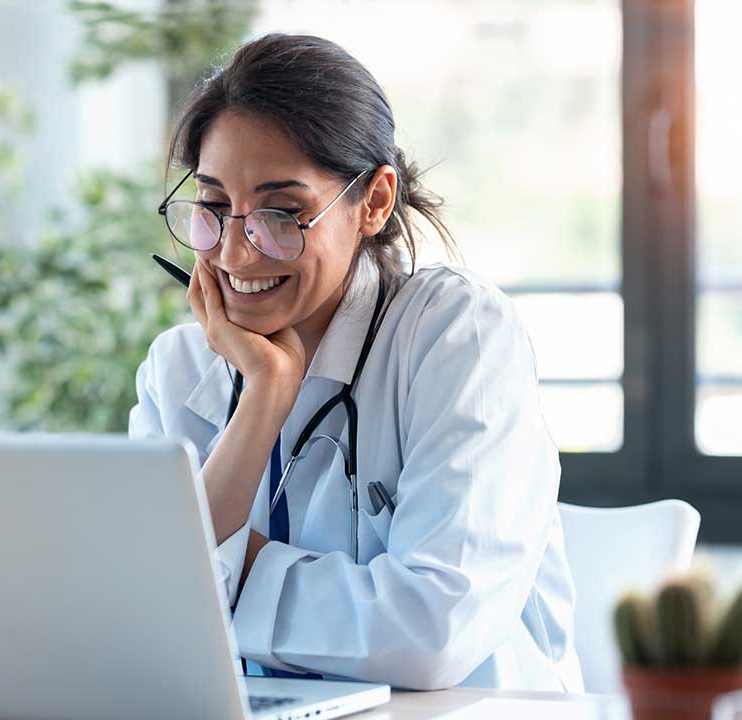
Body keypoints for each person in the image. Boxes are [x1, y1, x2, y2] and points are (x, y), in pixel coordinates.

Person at [129, 32, 584, 693]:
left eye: (282, 213)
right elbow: (142, 617)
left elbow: (432, 634)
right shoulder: (179, 369)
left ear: (373, 202)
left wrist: (227, 575)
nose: (236, 254)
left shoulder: (456, 336)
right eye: (214, 208)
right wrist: (262, 399)